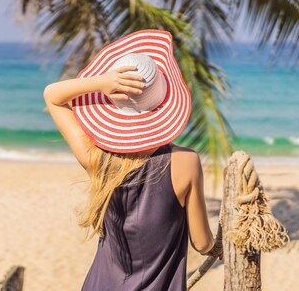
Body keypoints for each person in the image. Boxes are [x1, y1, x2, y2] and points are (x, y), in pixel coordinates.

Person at [43, 29, 222, 291]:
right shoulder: (185, 162)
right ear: (165, 99)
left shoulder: (98, 160)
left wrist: (100, 83)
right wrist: (225, 244)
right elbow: (203, 243)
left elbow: (53, 96)